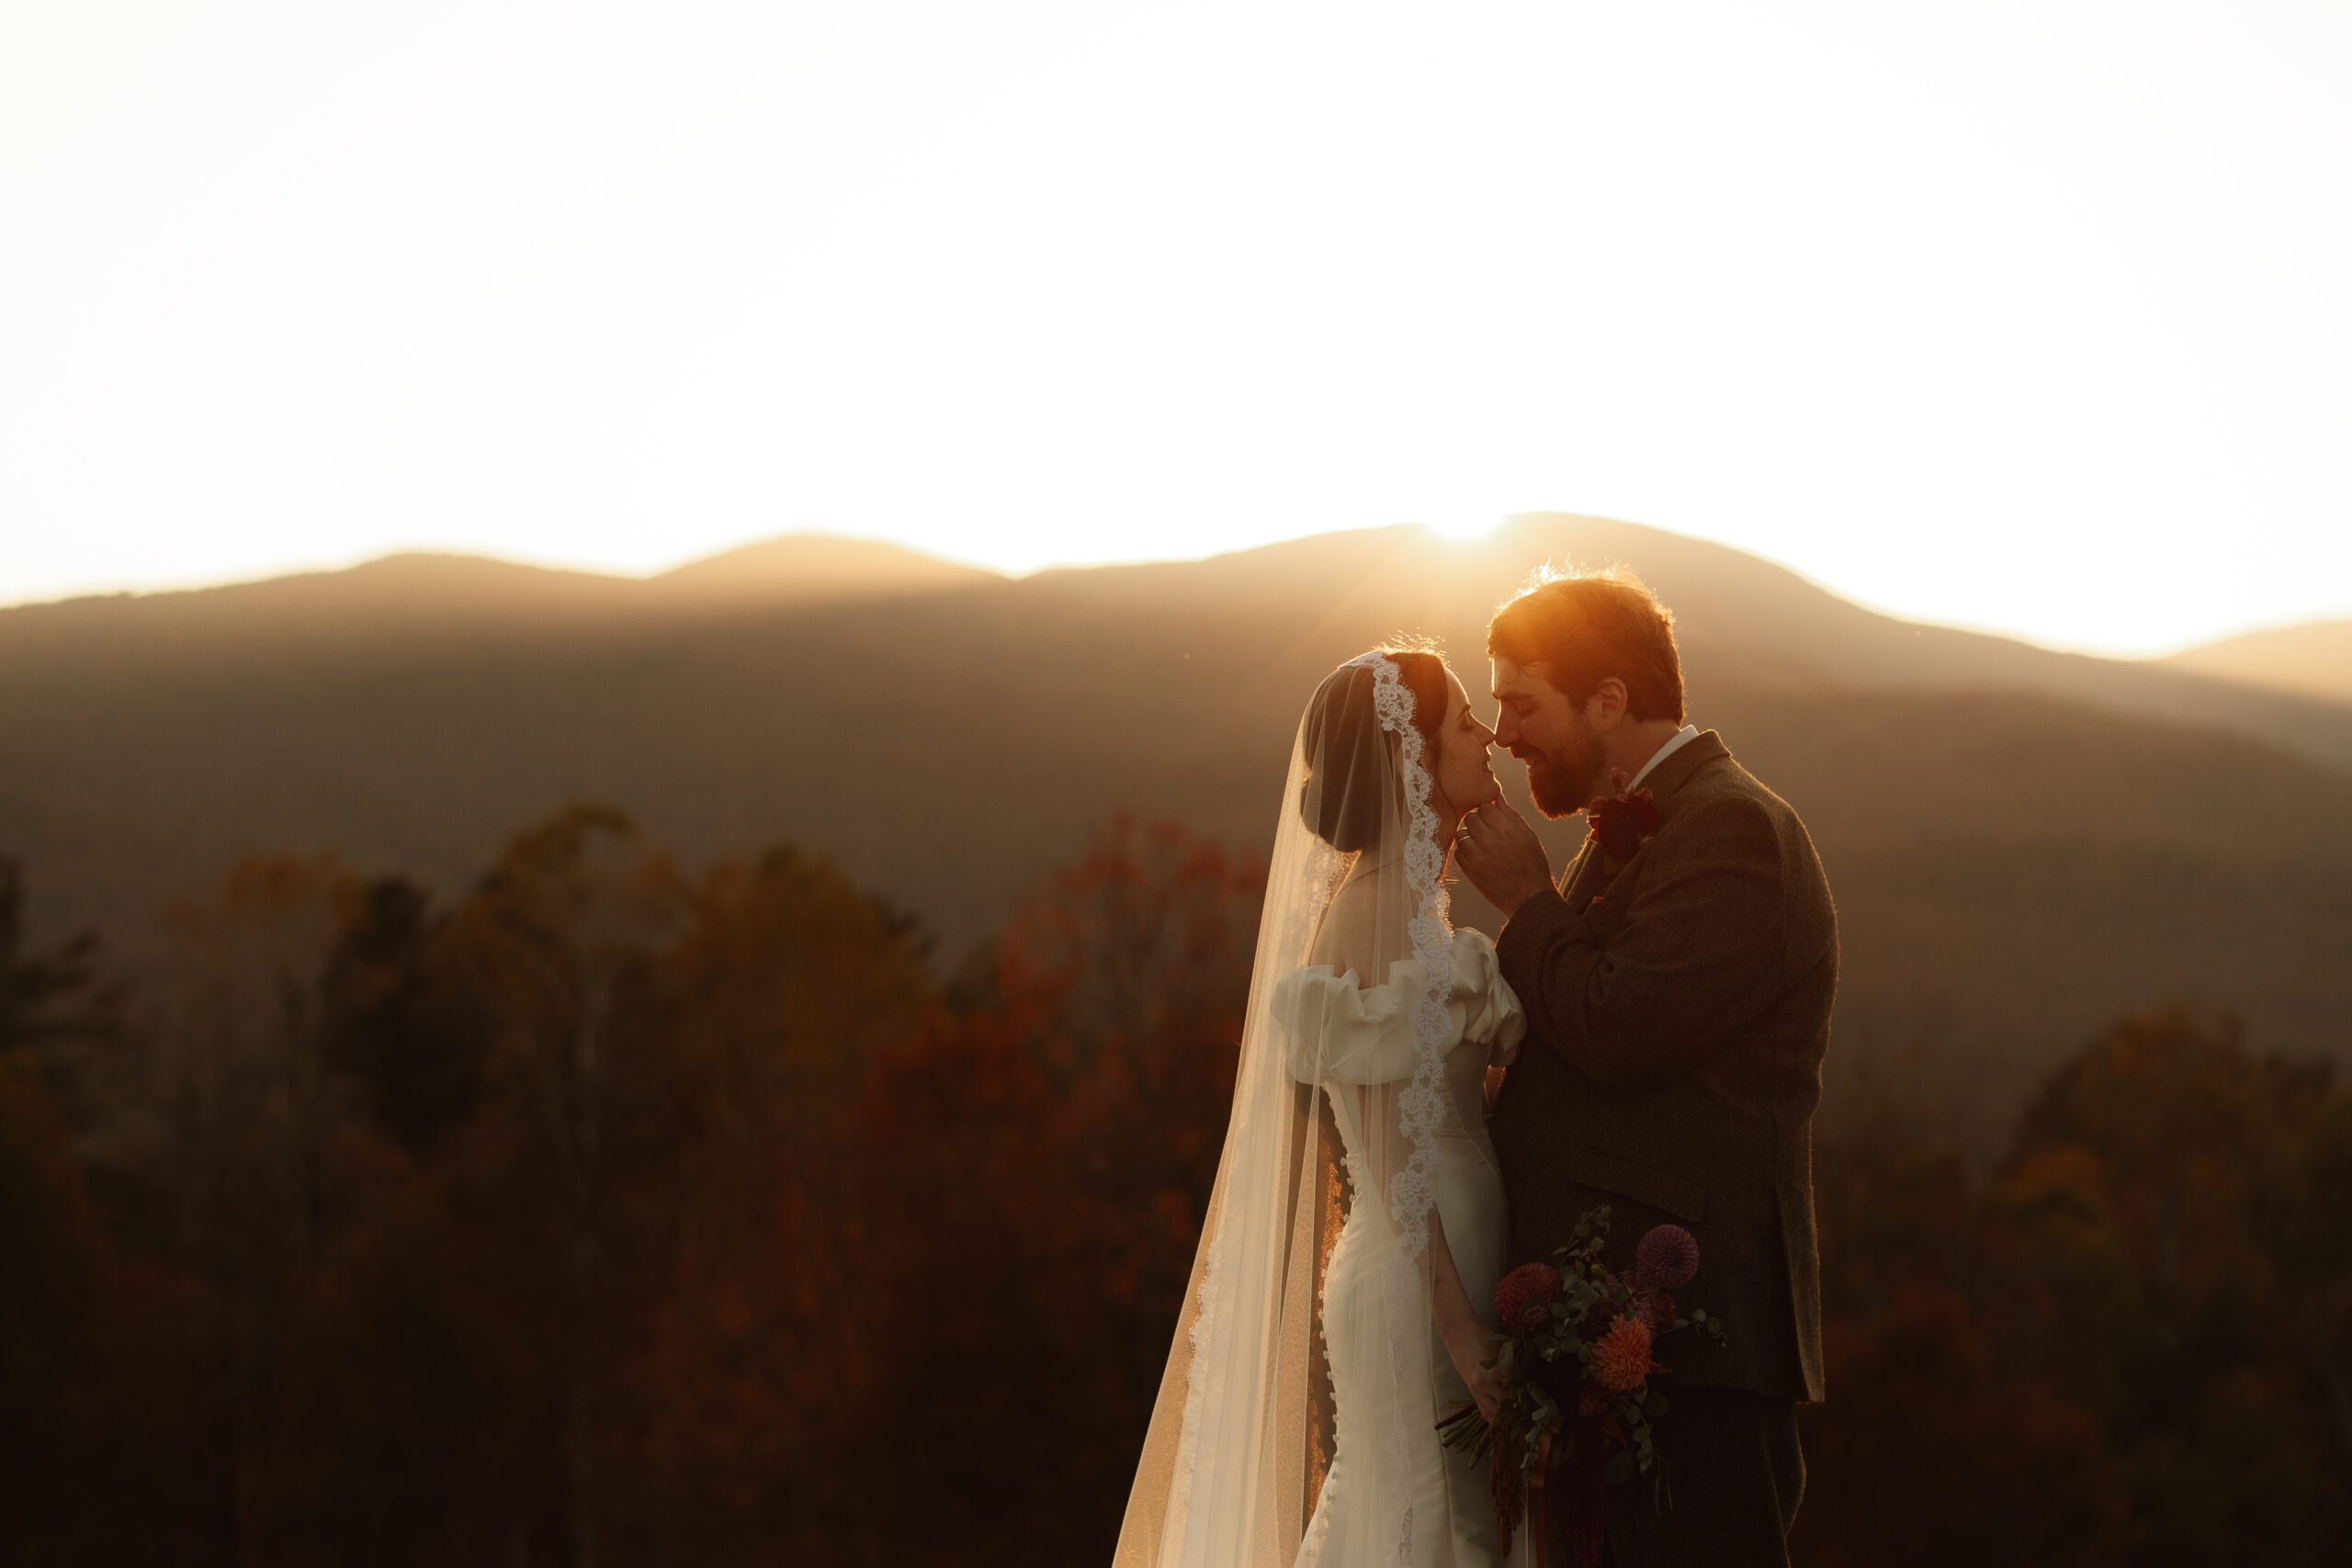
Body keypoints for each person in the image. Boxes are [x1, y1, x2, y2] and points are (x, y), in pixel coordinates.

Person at [1114, 644, 1529, 1568]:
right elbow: (1392, 1162)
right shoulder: (1373, 916)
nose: (1487, 735)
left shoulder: (1416, 916)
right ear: (1405, 758)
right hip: (1419, 1286)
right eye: (1464, 721)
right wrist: (1461, 1334)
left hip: (1439, 1273)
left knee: (1432, 1523)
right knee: (1443, 1528)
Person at [1453, 564, 1837, 1568]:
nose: (1503, 733)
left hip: (1690, 1345)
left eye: (1521, 702)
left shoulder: (1734, 830)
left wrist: (1528, 904)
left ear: (1610, 700)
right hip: (1616, 1339)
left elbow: (1621, 1028)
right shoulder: (1639, 825)